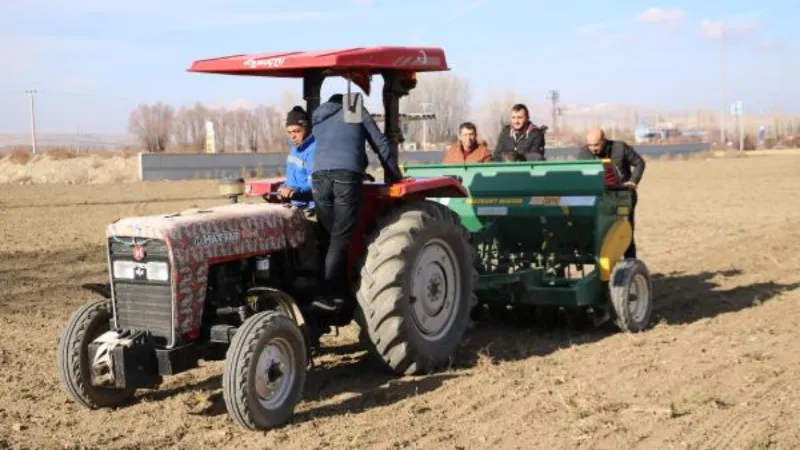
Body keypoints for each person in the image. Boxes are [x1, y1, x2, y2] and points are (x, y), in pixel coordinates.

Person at [308, 93, 405, 313]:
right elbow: (380, 143)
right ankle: (327, 294)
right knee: (341, 237)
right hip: (345, 176)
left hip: (319, 177)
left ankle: (333, 293)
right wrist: (394, 175)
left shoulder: (318, 116)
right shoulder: (355, 110)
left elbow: (329, 145)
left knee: (327, 235)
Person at [577, 127, 646, 258]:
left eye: (596, 145)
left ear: (604, 140)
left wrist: (633, 181)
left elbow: (639, 163)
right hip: (600, 198)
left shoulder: (620, 147)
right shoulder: (584, 153)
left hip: (623, 196)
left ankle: (630, 264)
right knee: (602, 233)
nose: (593, 149)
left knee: (625, 231)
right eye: (590, 145)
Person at [277, 106, 316, 208]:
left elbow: (316, 184)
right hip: (294, 203)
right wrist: (283, 187)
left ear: (306, 128)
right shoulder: (294, 149)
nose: (293, 136)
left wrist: (294, 189)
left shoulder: (314, 151)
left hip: (308, 208)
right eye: (289, 132)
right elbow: (292, 179)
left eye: (297, 131)